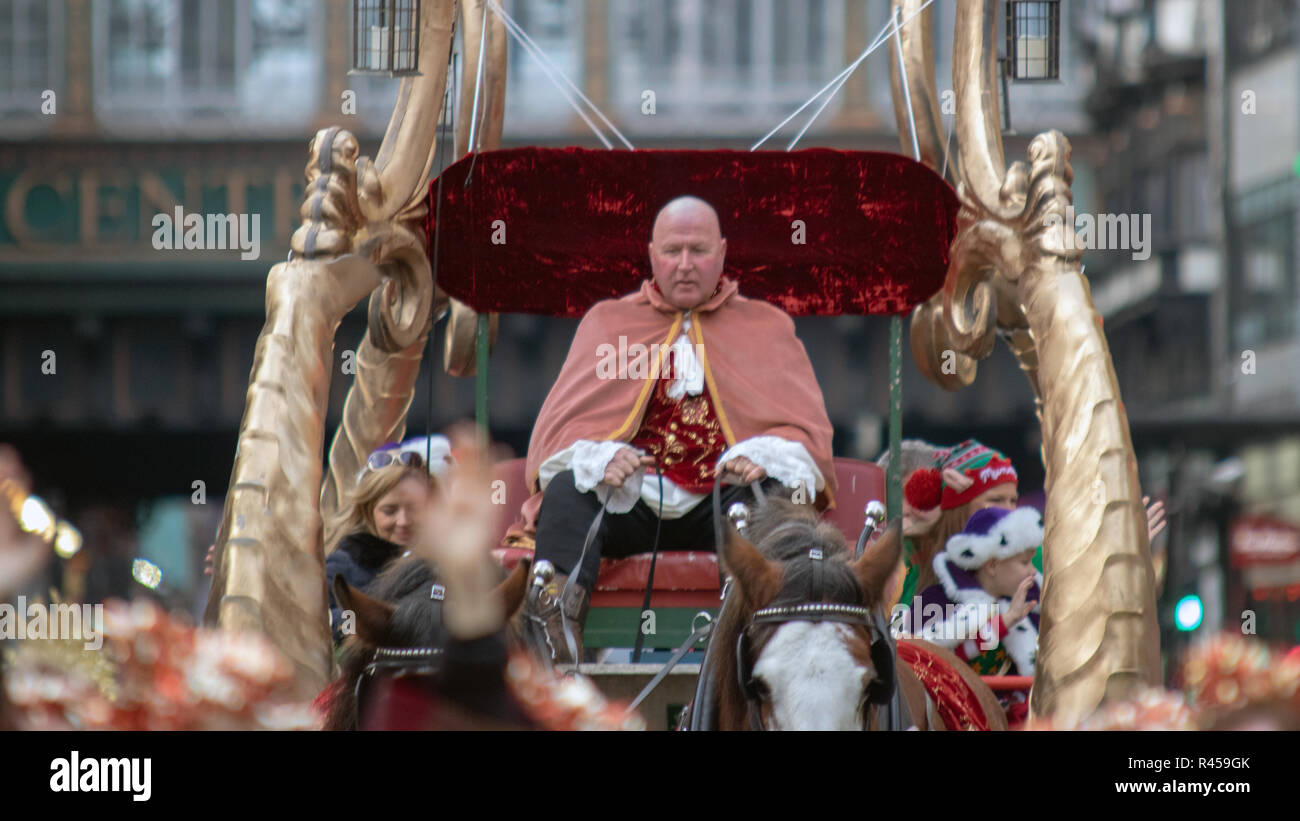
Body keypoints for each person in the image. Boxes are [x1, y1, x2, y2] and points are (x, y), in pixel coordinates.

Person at [515, 195, 837, 662]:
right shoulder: (608, 323)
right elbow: (560, 433)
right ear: (651, 255)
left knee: (777, 494)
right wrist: (602, 456)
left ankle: (761, 649)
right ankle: (554, 641)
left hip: (726, 505)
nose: (685, 264)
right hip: (633, 501)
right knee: (568, 491)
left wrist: (765, 454)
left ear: (723, 254)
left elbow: (803, 433)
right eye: (672, 251)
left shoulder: (766, 326)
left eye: (699, 250)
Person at [325, 444, 437, 644]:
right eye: (390, 510)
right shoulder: (341, 565)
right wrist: (372, 621)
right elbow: (320, 621)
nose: (403, 521)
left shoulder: (444, 562)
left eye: (414, 509)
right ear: (368, 511)